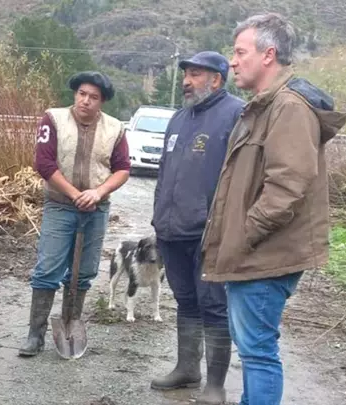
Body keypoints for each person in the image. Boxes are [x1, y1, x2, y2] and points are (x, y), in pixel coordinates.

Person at [200, 13, 346, 405]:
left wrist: (244, 234)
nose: (232, 61)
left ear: (268, 55)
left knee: (258, 352)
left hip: (265, 255)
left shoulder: (288, 108)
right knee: (253, 349)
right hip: (256, 253)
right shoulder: (264, 106)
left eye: (240, 52)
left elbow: (287, 186)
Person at [150, 51, 245, 404]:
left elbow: (243, 176)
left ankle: (215, 386)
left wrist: (226, 224)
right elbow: (164, 172)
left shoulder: (236, 114)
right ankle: (187, 368)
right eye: (186, 74)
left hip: (210, 233)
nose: (186, 81)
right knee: (186, 300)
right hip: (171, 229)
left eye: (195, 74)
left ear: (216, 79)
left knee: (213, 305)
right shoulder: (179, 117)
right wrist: (158, 217)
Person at [18, 71, 131, 357]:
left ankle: (70, 324)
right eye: (82, 94)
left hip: (96, 209)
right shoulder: (53, 119)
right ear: (75, 94)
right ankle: (35, 335)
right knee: (47, 269)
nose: (85, 101)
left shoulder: (115, 129)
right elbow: (44, 164)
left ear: (102, 101)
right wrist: (74, 194)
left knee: (84, 273)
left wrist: (98, 192)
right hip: (60, 205)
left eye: (93, 97)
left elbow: (122, 169)